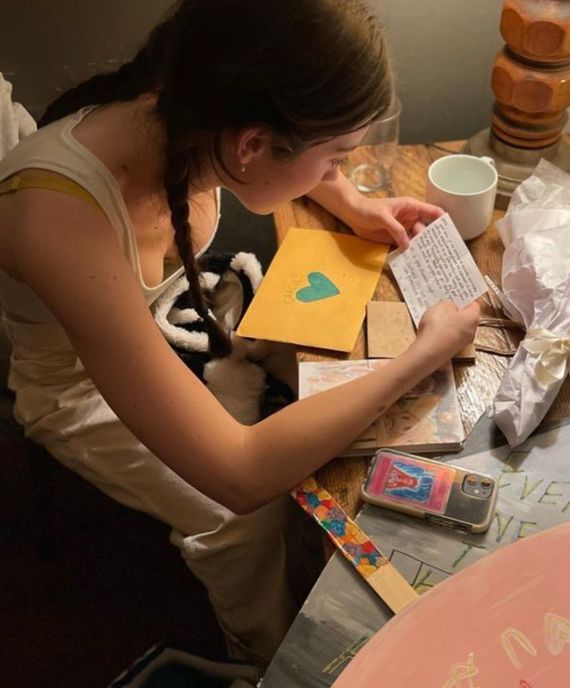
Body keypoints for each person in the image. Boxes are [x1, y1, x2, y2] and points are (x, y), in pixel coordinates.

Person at [0, 0, 480, 664]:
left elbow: (290, 147)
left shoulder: (196, 91)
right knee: (245, 522)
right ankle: (269, 657)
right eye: (334, 155)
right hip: (78, 387)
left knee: (339, 364)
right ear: (250, 145)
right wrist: (421, 357)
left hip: (175, 306)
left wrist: (352, 202)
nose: (333, 168)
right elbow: (238, 471)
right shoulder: (60, 222)